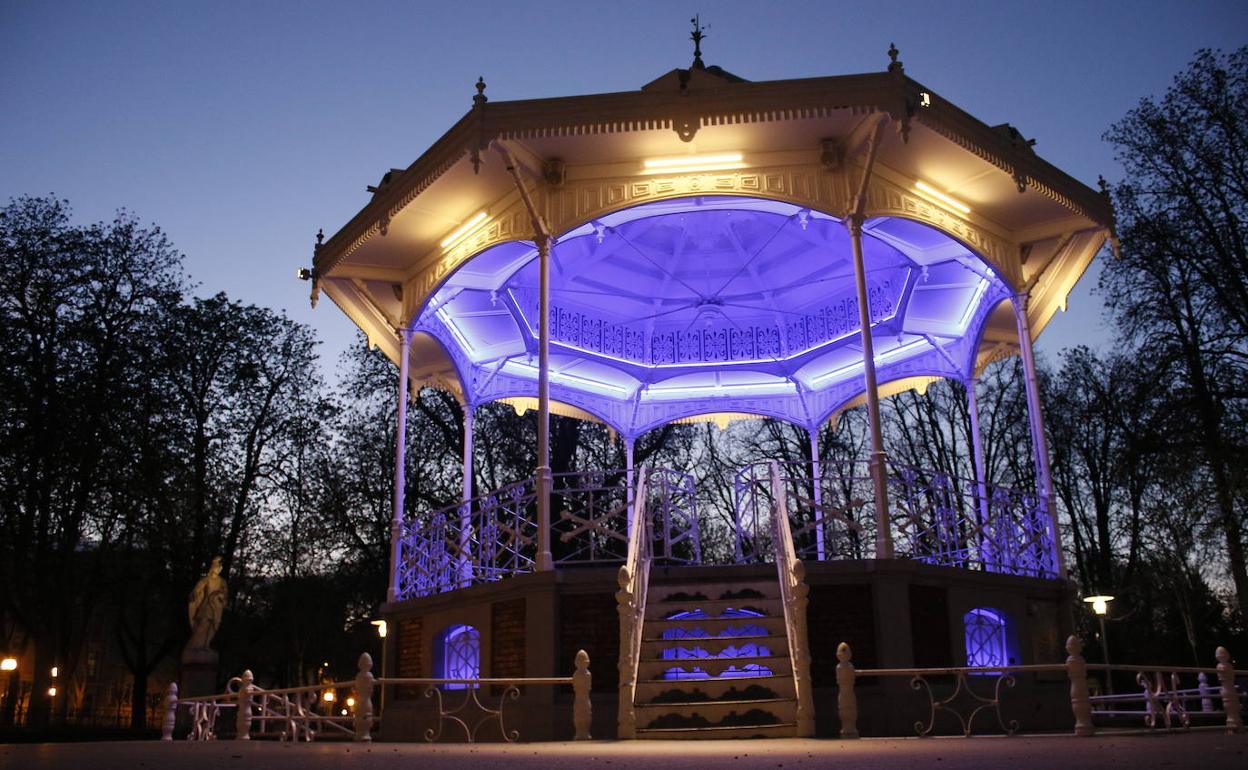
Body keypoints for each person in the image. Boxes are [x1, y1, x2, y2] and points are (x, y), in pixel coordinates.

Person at [186, 556, 228, 651]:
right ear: (213, 567)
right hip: (207, 606)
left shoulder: (223, 582)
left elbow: (225, 595)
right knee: (203, 624)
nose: (219, 569)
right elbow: (197, 590)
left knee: (213, 626)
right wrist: (194, 595)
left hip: (217, 608)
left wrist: (222, 599)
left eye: (220, 567)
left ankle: (206, 644)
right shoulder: (206, 580)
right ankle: (196, 644)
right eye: (217, 567)